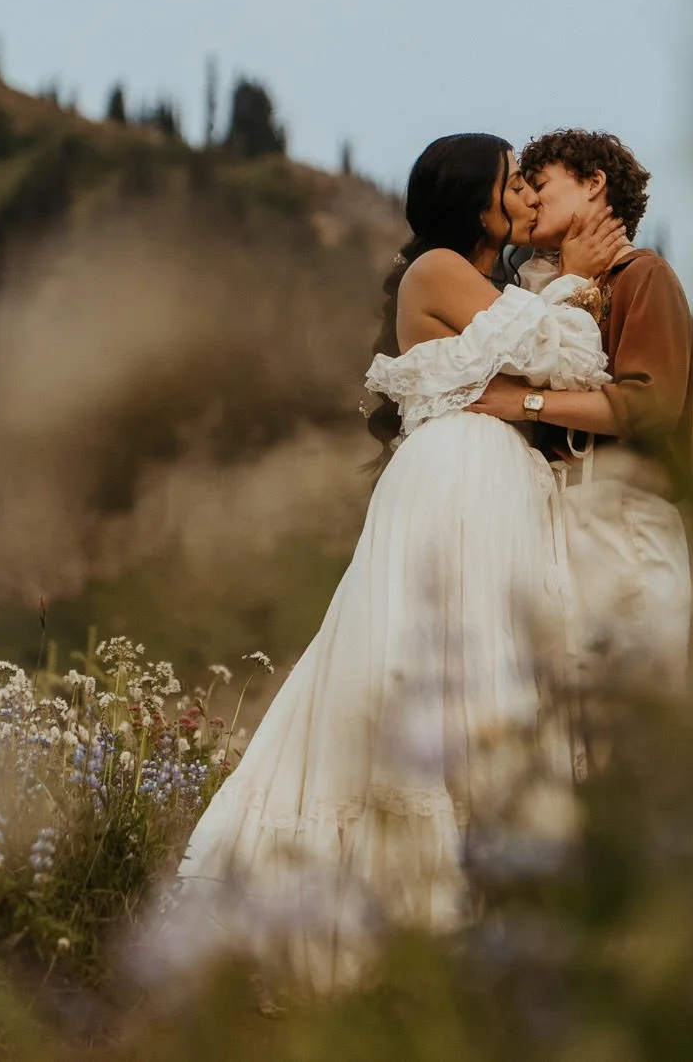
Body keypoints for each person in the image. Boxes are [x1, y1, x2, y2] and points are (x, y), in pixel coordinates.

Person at [146, 133, 629, 998]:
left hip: (498, 490)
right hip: (452, 489)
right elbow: (566, 355)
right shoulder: (437, 269)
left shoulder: (498, 285)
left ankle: (494, 924)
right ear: (473, 201)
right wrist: (573, 283)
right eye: (509, 182)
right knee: (433, 672)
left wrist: (553, 296)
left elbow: (554, 356)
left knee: (497, 680)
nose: (523, 192)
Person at [471, 128, 693, 730]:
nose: (531, 201)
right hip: (552, 526)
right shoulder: (531, 295)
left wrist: (526, 403)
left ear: (595, 184)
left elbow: (650, 404)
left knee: (633, 721)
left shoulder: (643, 276)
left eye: (540, 185)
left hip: (624, 522)